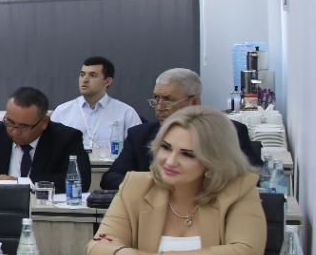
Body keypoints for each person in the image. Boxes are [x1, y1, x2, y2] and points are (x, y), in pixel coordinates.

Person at [89, 106, 267, 255]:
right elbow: (97, 246)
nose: (170, 161)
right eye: (166, 148)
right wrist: (119, 253)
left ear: (214, 160)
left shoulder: (239, 189)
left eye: (187, 154)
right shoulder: (136, 185)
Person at [101, 68, 263, 190]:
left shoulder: (228, 131)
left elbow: (253, 177)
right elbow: (111, 178)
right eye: (156, 99)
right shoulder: (139, 135)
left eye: (168, 100)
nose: (159, 107)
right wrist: (159, 184)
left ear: (194, 102)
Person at [0, 87, 91, 189]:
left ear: (44, 122)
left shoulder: (66, 138)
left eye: (24, 126)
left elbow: (81, 180)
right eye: (10, 122)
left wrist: (22, 183)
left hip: (43, 207)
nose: (15, 131)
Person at [49, 56, 142, 153]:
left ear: (107, 81)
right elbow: (49, 147)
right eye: (82, 74)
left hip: (113, 163)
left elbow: (138, 149)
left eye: (93, 75)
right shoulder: (62, 111)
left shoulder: (126, 113)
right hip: (72, 162)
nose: (85, 79)